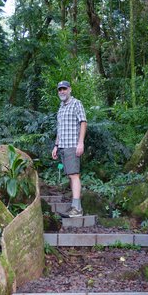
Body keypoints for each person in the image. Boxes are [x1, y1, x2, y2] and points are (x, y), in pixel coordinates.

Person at [51, 80, 87, 217]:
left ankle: (77, 209)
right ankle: (74, 206)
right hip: (63, 147)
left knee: (74, 175)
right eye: (60, 89)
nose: (62, 91)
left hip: (73, 145)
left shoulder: (76, 103)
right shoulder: (61, 108)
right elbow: (60, 129)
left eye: (64, 89)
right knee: (71, 176)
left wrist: (81, 143)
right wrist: (56, 146)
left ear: (70, 89)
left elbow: (83, 122)